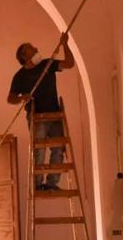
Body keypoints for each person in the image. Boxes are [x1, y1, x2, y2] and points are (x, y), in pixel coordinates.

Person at [8, 32, 75, 191]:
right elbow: (10, 98)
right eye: (31, 48)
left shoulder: (47, 64)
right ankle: (38, 184)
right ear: (24, 57)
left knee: (58, 149)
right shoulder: (20, 76)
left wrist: (65, 44)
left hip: (54, 114)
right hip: (36, 117)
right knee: (39, 151)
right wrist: (21, 98)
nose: (36, 48)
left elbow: (69, 63)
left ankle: (52, 183)